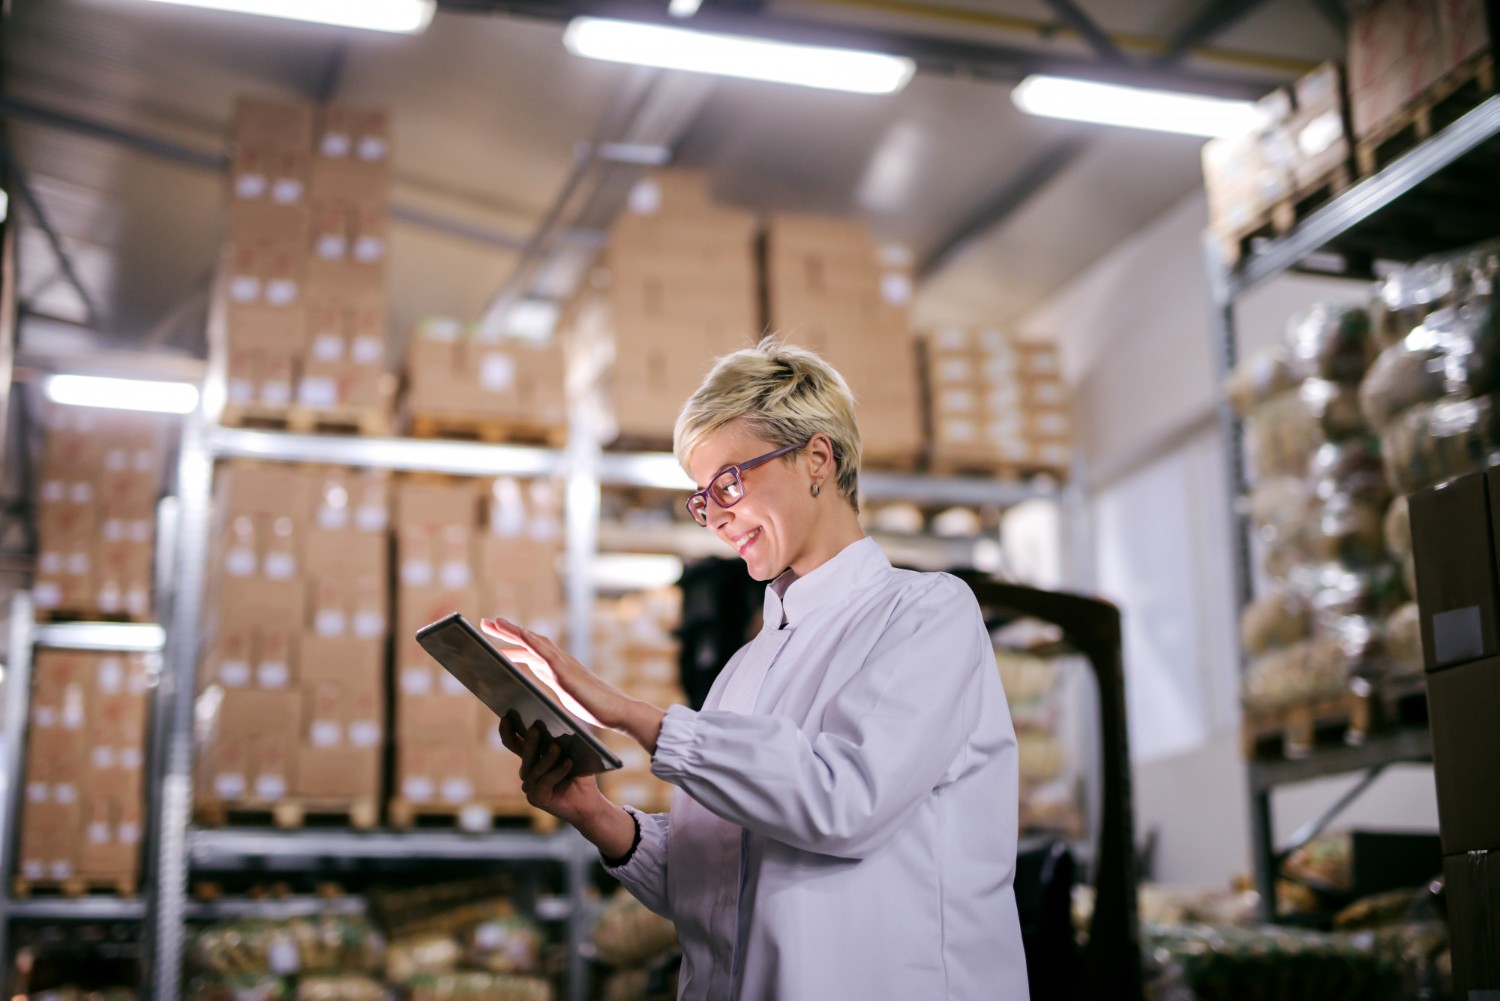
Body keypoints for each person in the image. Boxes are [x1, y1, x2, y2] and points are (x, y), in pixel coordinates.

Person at [483, 341, 1029, 1000]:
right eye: (701, 497)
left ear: (817, 460)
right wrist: (598, 816)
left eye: (730, 482)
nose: (715, 515)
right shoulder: (744, 669)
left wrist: (635, 717)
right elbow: (719, 884)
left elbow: (844, 801)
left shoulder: (925, 614)